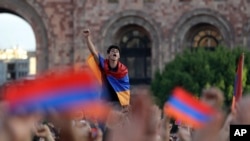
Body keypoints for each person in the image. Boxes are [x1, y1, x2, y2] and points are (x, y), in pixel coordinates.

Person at [83, 29, 130, 111]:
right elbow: (94, 52)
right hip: (104, 102)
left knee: (116, 122)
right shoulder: (103, 65)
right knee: (102, 123)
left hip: (117, 103)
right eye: (112, 51)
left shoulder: (123, 71)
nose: (114, 52)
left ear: (118, 56)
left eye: (116, 51)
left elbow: (125, 88)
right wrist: (87, 38)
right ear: (108, 55)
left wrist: (126, 104)